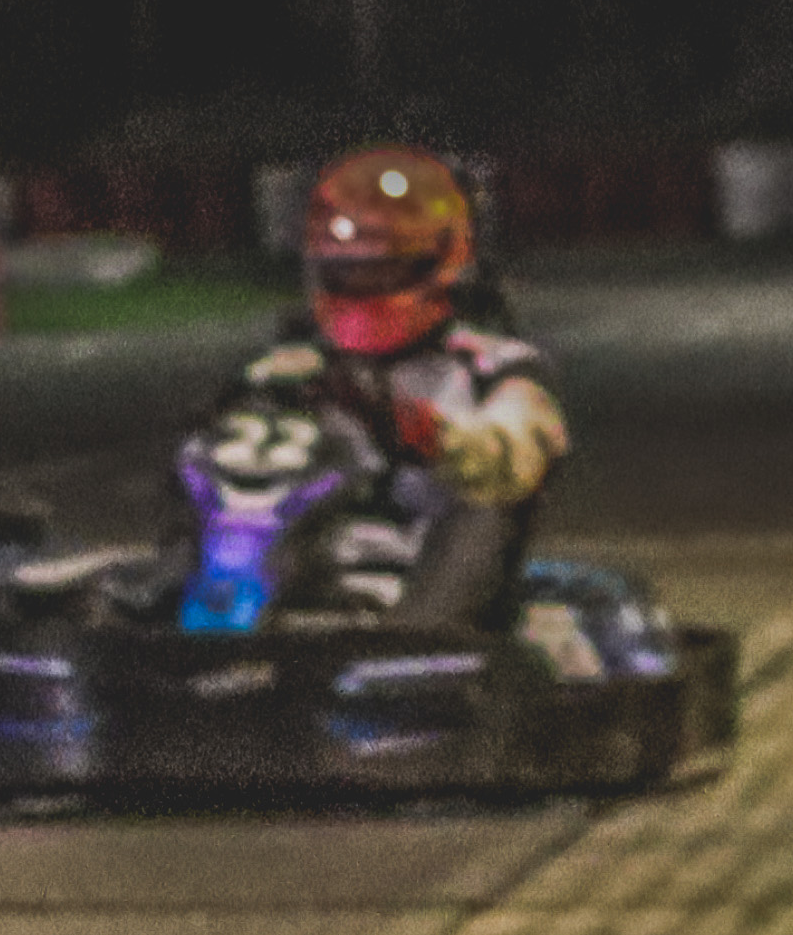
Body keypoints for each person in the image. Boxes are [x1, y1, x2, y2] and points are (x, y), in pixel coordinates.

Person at [208, 145, 570, 627]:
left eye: (383, 267)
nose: (363, 280)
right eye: (348, 268)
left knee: (486, 502)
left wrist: (429, 434)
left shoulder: (500, 369)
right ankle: (204, 625)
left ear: (440, 262)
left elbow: (514, 457)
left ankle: (411, 640)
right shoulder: (287, 372)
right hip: (306, 574)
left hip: (432, 590)